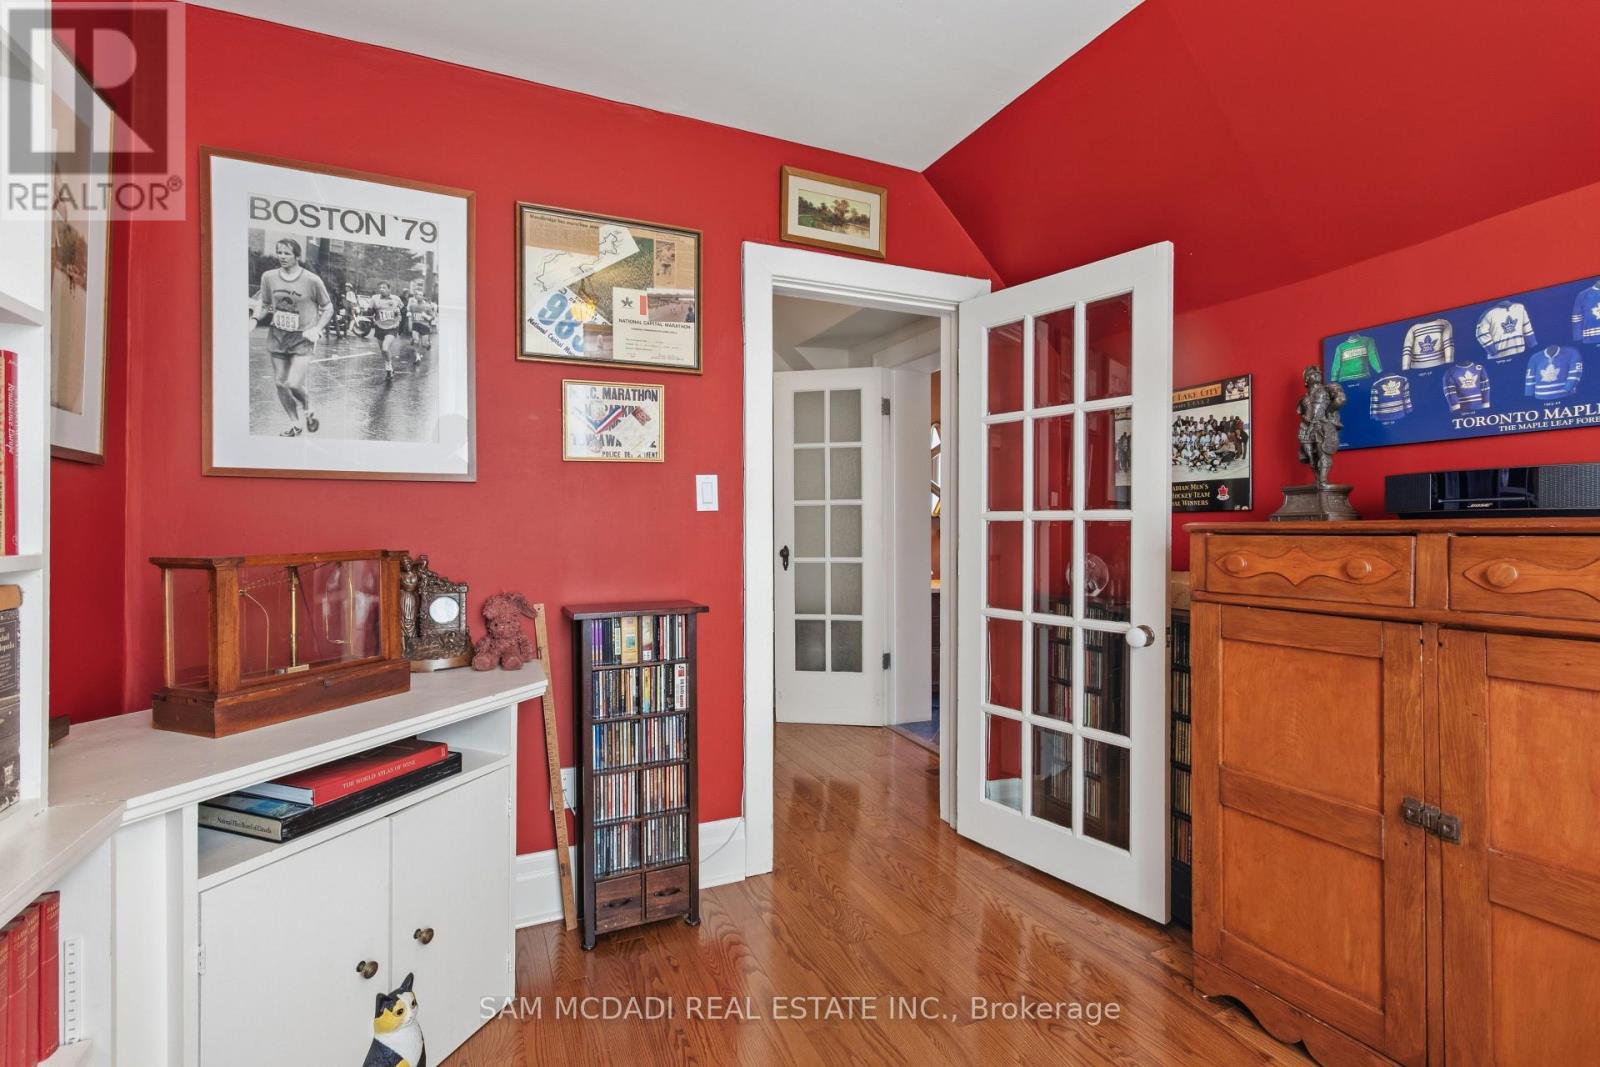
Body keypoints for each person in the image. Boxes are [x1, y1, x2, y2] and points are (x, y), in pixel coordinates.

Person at [253, 238, 331, 436]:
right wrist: (254, 319)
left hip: (303, 337)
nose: (282, 256)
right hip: (278, 336)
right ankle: (295, 424)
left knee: (294, 384)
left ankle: (308, 409)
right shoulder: (269, 277)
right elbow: (265, 304)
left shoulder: (312, 280)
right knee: (280, 383)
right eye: (279, 252)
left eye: (287, 253)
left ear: (297, 256)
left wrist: (318, 328)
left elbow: (328, 307)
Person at [370, 281, 406, 381]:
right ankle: (389, 366)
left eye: (384, 287)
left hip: (392, 327)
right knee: (383, 350)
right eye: (380, 287)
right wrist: (370, 311)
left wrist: (401, 326)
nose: (382, 289)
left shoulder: (396, 299)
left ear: (389, 289)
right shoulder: (375, 298)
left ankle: (388, 367)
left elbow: (404, 311)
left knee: (385, 348)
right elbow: (370, 311)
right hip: (379, 327)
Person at [406, 279, 436, 358]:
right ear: (415, 296)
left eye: (420, 295)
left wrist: (426, 316)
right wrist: (409, 314)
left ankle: (428, 344)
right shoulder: (412, 305)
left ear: (423, 297)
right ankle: (417, 357)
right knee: (416, 341)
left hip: (424, 325)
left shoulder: (427, 306)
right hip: (416, 324)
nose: (418, 296)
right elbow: (409, 313)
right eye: (417, 295)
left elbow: (433, 317)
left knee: (424, 344)